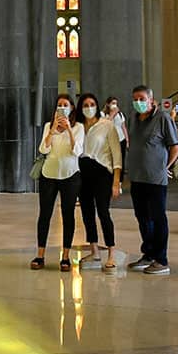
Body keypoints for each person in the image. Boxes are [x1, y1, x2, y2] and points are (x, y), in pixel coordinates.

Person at [126, 85, 178, 276]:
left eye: (141, 99)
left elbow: (175, 146)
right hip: (137, 177)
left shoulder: (163, 118)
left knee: (158, 218)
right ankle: (148, 254)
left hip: (155, 179)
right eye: (135, 99)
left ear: (151, 100)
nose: (138, 102)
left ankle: (161, 259)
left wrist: (166, 166)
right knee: (142, 217)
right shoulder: (133, 117)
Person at [31, 94, 85, 272]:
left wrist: (69, 130)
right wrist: (53, 129)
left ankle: (66, 256)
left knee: (68, 215)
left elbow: (77, 151)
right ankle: (40, 254)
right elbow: (43, 149)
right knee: (44, 214)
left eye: (65, 105)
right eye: (59, 105)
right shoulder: (48, 126)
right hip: (49, 174)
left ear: (71, 109)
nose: (62, 108)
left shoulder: (78, 127)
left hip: (70, 175)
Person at [77, 93, 122, 272]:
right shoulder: (78, 127)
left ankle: (111, 252)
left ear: (97, 106)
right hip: (82, 171)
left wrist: (116, 181)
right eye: (85, 104)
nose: (89, 107)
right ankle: (94, 250)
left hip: (102, 172)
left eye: (92, 104)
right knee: (87, 213)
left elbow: (116, 154)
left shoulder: (107, 126)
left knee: (103, 212)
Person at [104, 97, 129, 178]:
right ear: (108, 104)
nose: (114, 105)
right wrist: (112, 114)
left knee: (121, 160)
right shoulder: (103, 114)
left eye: (116, 103)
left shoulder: (120, 114)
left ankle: (120, 180)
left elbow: (123, 127)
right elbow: (105, 125)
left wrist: (127, 140)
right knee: (112, 160)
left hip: (121, 139)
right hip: (110, 141)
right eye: (113, 103)